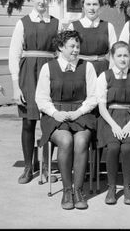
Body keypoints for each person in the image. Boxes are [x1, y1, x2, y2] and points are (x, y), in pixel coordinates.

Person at [36, 30, 97, 210]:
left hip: (81, 112)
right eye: (72, 46)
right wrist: (55, 113)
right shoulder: (48, 68)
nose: (76, 50)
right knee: (65, 140)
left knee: (81, 140)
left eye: (78, 46)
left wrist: (79, 112)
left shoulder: (87, 67)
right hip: (55, 114)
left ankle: (78, 191)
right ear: (61, 47)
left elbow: (94, 97)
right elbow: (41, 98)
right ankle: (66, 190)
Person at [8, 0, 61, 184]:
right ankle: (29, 168)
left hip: (49, 72)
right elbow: (14, 54)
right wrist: (15, 86)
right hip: (28, 73)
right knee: (29, 122)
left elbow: (61, 50)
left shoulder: (56, 23)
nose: (42, 1)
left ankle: (47, 168)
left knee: (49, 122)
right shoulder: (23, 23)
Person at [96, 41, 130, 205]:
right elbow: (102, 106)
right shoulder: (105, 76)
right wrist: (114, 126)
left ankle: (127, 186)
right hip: (109, 118)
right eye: (119, 56)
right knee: (114, 147)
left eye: (126, 55)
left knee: (127, 147)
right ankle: (111, 187)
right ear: (112, 57)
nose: (123, 59)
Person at [68, 0, 117, 75]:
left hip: (102, 70)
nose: (91, 8)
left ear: (100, 7)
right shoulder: (73, 27)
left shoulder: (109, 27)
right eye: (88, 4)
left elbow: (114, 54)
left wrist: (110, 74)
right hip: (79, 69)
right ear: (83, 7)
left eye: (95, 4)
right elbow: (67, 52)